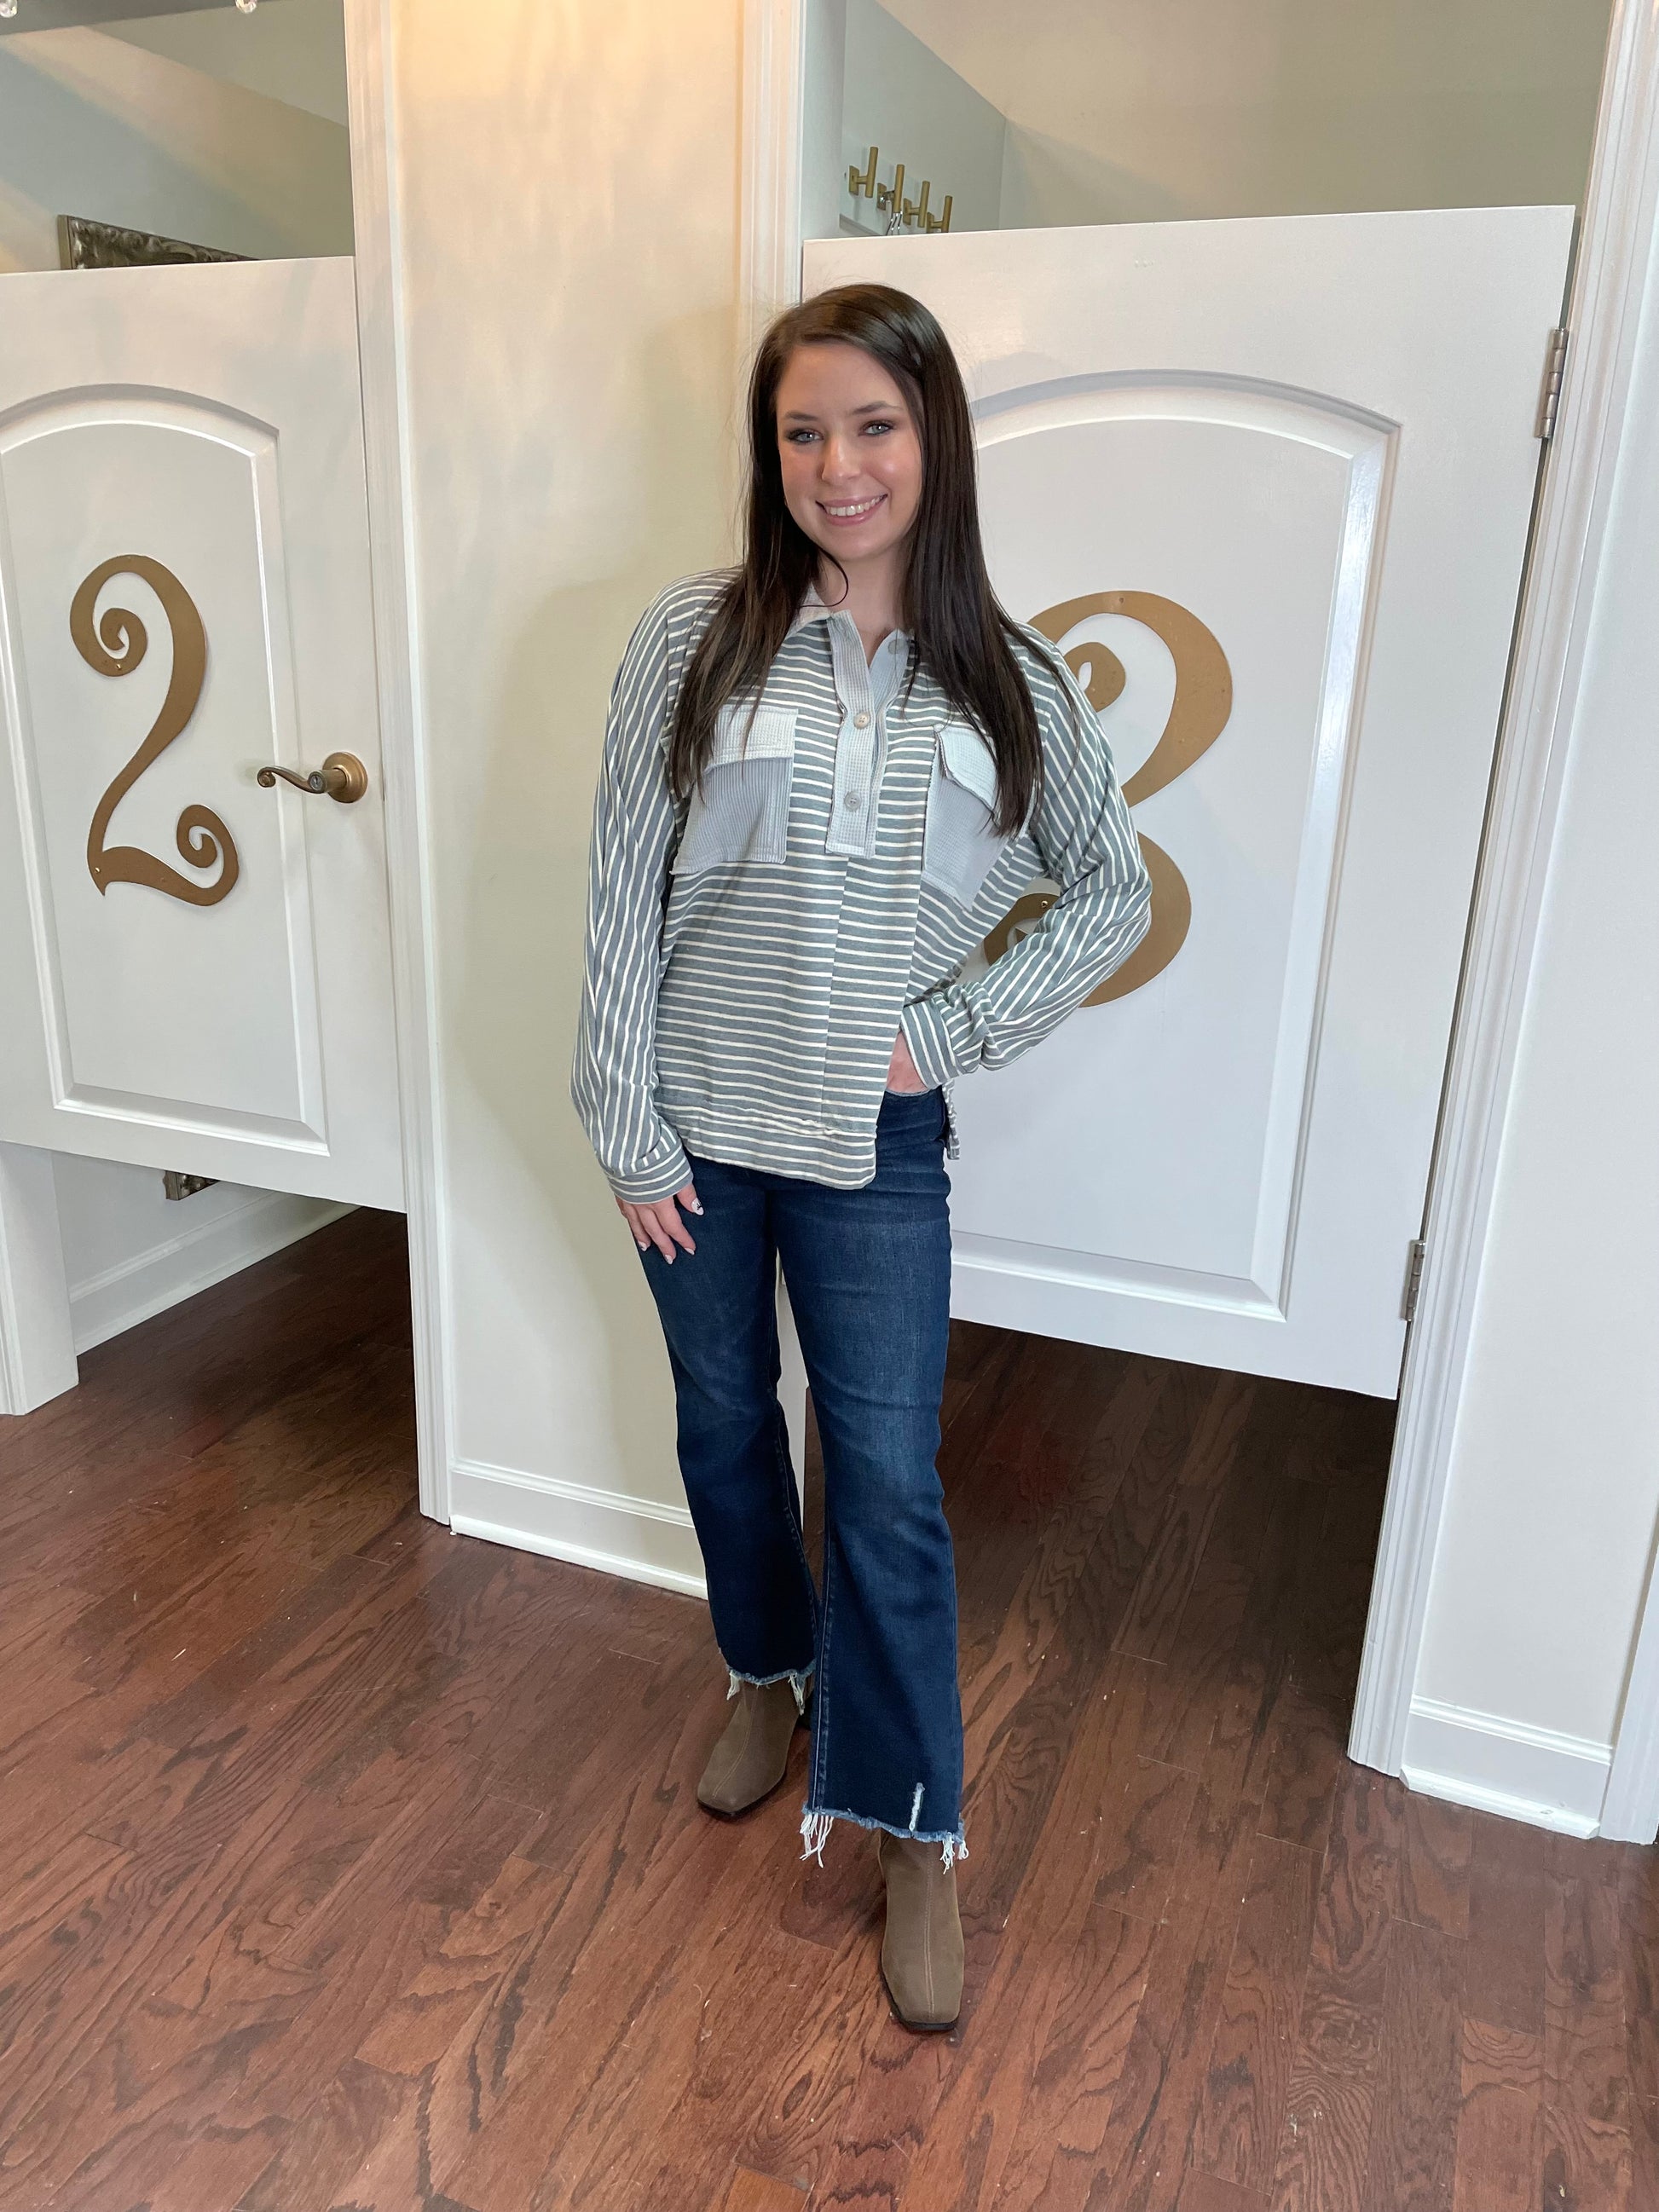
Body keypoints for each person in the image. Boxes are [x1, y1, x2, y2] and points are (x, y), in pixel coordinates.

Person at [571, 281, 1151, 2031]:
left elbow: (1109, 892)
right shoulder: (693, 637)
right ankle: (767, 1672)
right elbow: (620, 883)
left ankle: (909, 1823)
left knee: (887, 1479)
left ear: (931, 438)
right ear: (770, 452)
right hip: (690, 1127)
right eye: (802, 431)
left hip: (871, 1139)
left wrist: (943, 1034)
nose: (839, 465)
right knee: (723, 1424)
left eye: (873, 425)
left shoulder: (1008, 676)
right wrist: (620, 1115)